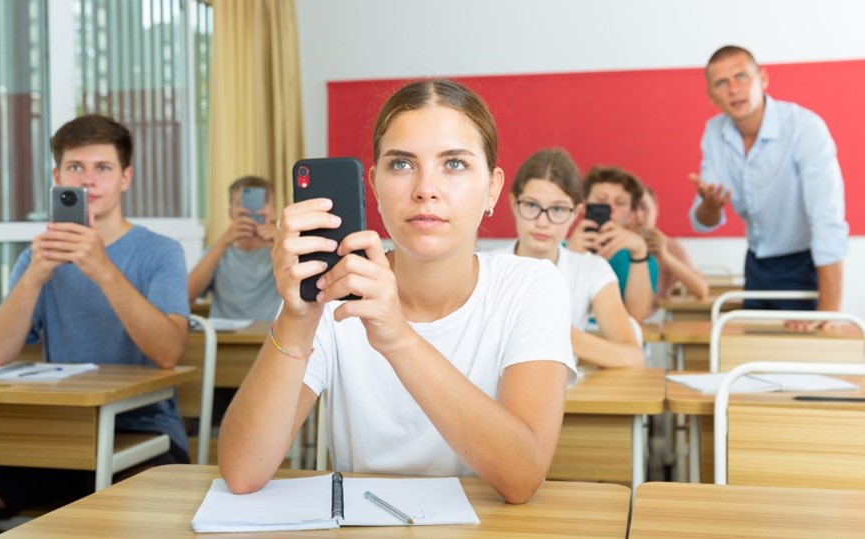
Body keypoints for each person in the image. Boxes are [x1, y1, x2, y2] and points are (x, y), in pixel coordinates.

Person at [218, 80, 575, 504]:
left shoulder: (531, 285)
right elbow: (242, 473)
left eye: (455, 164)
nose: (425, 188)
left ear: (493, 189)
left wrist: (398, 337)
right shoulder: (338, 287)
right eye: (402, 165)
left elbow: (522, 476)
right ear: (374, 186)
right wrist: (297, 319)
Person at [0, 114, 190, 521]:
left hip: (144, 431)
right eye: (76, 167)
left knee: (130, 519)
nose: (88, 180)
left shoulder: (161, 252)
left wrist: (102, 268)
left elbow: (168, 352)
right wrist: (36, 275)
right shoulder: (35, 257)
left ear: (125, 177)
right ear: (58, 175)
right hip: (59, 434)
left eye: (103, 168)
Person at [689, 45, 848, 323]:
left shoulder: (804, 128)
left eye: (741, 77)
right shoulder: (714, 132)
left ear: (763, 78)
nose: (734, 89)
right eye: (721, 83)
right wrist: (709, 205)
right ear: (711, 95)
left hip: (806, 264)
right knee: (753, 358)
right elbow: (704, 221)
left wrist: (829, 312)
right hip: (757, 264)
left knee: (803, 355)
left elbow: (827, 221)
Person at [503, 148, 644, 368]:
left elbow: (633, 358)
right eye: (531, 205)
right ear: (514, 204)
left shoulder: (591, 269)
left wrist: (555, 330)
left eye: (558, 209)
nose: (542, 222)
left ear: (575, 214)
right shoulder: (483, 267)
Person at [569, 165, 657, 322]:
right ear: (583, 206)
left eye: (620, 202)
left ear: (631, 214)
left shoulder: (641, 258)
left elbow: (637, 316)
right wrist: (569, 257)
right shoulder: (559, 250)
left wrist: (639, 253)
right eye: (601, 201)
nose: (610, 208)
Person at [188, 175, 282, 320]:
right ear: (231, 213)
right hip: (226, 338)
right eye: (242, 203)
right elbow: (187, 295)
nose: (251, 211)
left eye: (260, 203)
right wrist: (223, 242)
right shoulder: (217, 253)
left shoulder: (284, 251)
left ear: (273, 212)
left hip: (272, 336)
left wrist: (281, 241)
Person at [637, 184, 709, 301]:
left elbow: (701, 289)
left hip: (656, 316)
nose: (639, 216)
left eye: (644, 207)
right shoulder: (615, 243)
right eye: (632, 209)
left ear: (656, 209)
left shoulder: (670, 246)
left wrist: (664, 255)